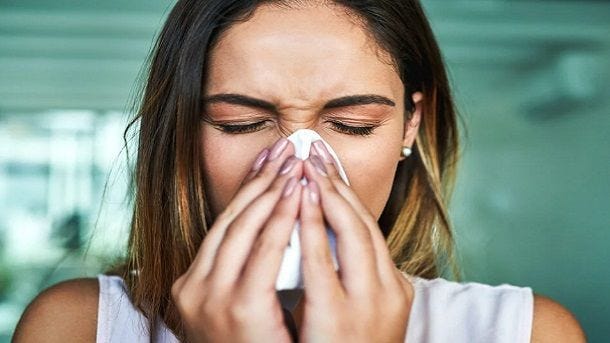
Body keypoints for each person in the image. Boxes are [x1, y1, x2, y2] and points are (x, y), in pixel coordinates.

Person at [13, 0, 586, 342]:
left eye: (354, 124)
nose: (302, 167)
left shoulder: (526, 332)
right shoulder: (76, 326)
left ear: (410, 126)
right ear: (185, 132)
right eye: (239, 122)